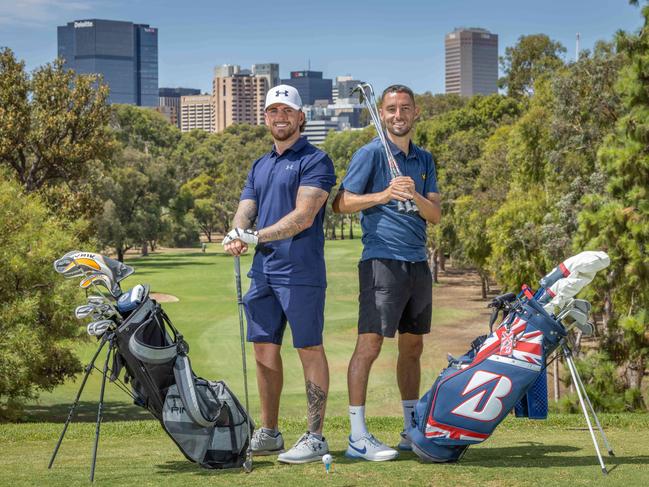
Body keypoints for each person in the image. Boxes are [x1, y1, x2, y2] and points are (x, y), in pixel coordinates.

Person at [222, 84, 336, 464]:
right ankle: (269, 432)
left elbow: (303, 217)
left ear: (300, 117)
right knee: (264, 351)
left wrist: (253, 235)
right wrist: (237, 232)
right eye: (273, 111)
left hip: (300, 271)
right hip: (264, 272)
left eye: (287, 111)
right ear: (266, 117)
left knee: (308, 349)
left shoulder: (316, 160)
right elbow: (246, 207)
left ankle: (315, 436)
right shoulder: (260, 164)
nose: (280, 117)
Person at [332, 84, 441, 461]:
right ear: (382, 113)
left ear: (415, 113)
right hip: (381, 260)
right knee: (371, 344)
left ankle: (411, 429)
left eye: (405, 108)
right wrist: (384, 194)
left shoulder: (424, 160)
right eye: (392, 109)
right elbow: (341, 203)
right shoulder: (370, 153)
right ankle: (357, 435)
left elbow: (436, 215)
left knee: (413, 346)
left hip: (416, 263)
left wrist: (415, 195)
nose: (398, 115)